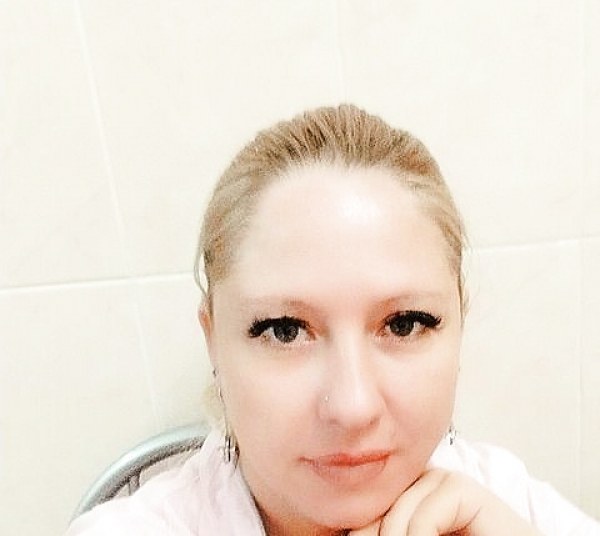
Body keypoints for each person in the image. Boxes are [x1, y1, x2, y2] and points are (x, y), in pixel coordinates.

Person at [67, 105, 599, 535]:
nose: (353, 406)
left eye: (405, 324)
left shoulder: (511, 503)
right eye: (284, 330)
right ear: (213, 341)